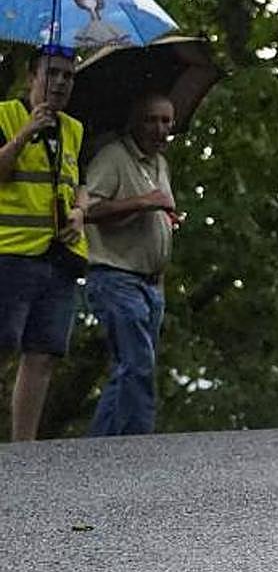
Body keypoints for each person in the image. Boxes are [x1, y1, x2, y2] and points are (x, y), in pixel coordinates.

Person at [0, 45, 89, 442]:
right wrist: (25, 133)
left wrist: (80, 211)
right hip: (11, 252)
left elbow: (82, 183)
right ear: (31, 77)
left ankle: (24, 448)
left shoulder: (74, 129)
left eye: (68, 76)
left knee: (44, 353)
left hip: (60, 256)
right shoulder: (5, 115)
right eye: (52, 73)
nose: (61, 82)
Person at [83, 93, 178, 436]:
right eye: (151, 120)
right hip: (116, 276)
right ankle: (138, 446)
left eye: (166, 121)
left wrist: (166, 219)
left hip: (152, 283)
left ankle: (101, 449)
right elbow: (89, 210)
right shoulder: (113, 157)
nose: (160, 129)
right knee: (137, 364)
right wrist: (143, 202)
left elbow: (153, 208)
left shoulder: (159, 163)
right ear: (135, 122)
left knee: (131, 369)